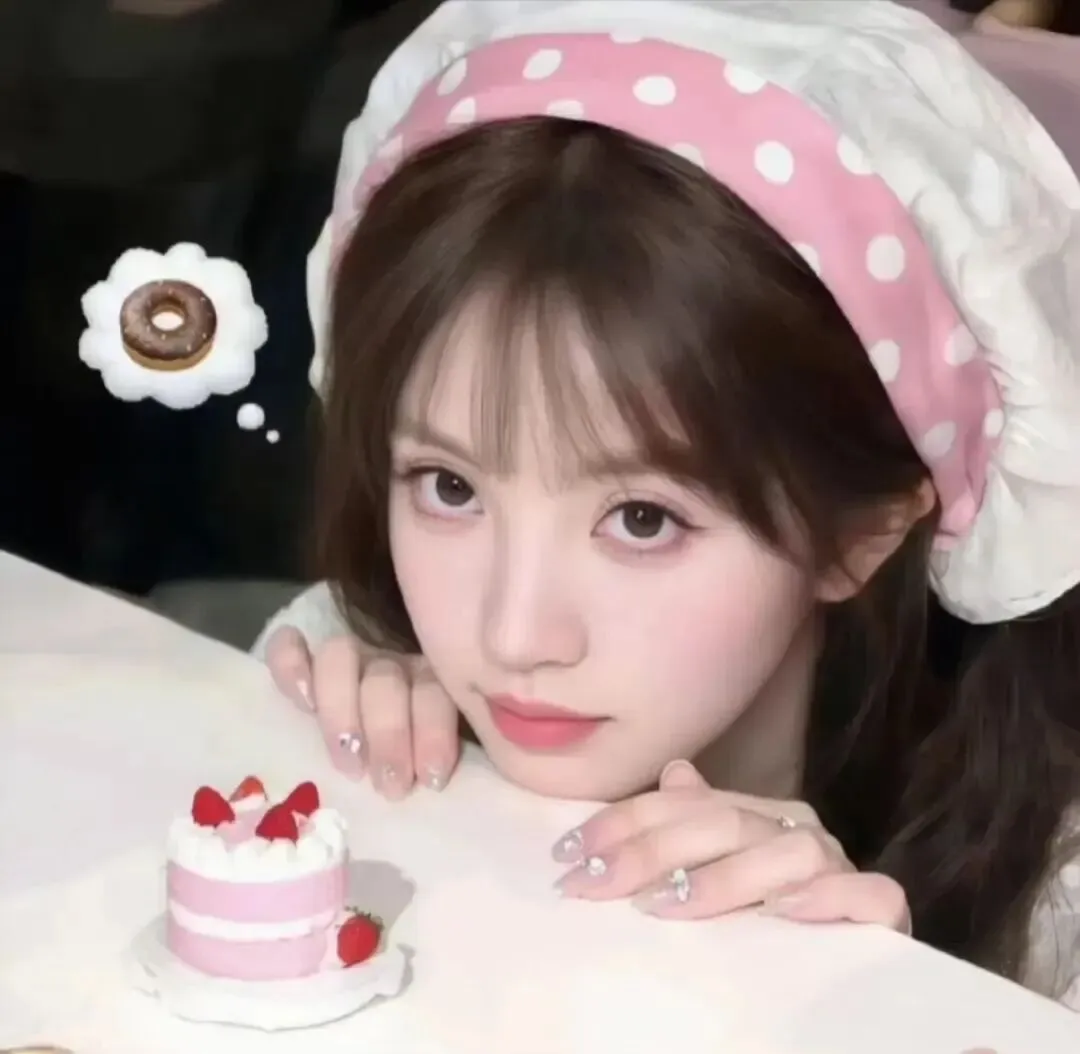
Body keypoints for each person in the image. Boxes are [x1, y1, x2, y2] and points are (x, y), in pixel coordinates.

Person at [253, 0, 1080, 1007]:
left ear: (862, 530)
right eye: (451, 486)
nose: (515, 636)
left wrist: (874, 1009)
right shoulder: (350, 671)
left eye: (642, 519)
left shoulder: (1050, 906)